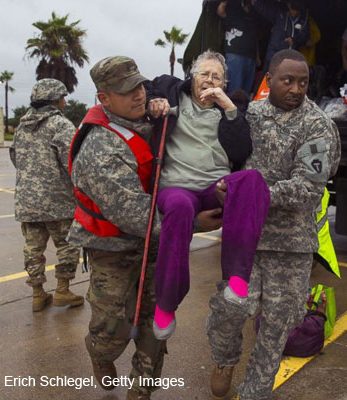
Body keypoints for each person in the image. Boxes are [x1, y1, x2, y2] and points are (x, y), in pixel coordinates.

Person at [67, 56, 223, 400]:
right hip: (115, 249)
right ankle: (100, 353)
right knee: (112, 330)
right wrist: (193, 224)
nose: (139, 95)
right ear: (104, 99)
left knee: (155, 327)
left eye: (139, 85)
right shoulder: (100, 147)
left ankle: (141, 391)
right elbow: (136, 215)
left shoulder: (152, 117)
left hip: (157, 245)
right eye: (127, 91)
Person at [205, 49, 340, 400]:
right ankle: (224, 358)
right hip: (247, 239)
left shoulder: (317, 124)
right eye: (288, 81)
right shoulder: (248, 115)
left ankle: (256, 391)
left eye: (303, 82)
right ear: (270, 78)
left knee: (278, 326)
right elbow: (227, 159)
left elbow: (309, 189)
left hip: (291, 245)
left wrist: (252, 194)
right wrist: (225, 188)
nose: (296, 89)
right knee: (229, 310)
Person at [143, 50, 267, 340]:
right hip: (176, 187)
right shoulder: (170, 89)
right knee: (177, 207)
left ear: (224, 83)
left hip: (216, 186)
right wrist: (153, 101)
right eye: (204, 74)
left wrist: (230, 111)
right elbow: (144, 87)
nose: (209, 80)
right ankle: (166, 303)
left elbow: (240, 152)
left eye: (216, 77)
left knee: (252, 179)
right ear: (192, 76)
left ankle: (237, 279)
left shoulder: (233, 107)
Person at [9, 78, 84, 312]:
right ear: (54, 100)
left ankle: (38, 294)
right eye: (62, 97)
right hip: (58, 200)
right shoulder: (60, 125)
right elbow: (71, 160)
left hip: (27, 201)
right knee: (67, 245)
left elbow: (14, 157)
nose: (64, 102)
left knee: (33, 248)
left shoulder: (22, 126)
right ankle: (62, 289)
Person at [251, 0, 309, 69]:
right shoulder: (280, 13)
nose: (294, 12)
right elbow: (266, 11)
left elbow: (305, 36)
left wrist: (294, 40)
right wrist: (256, 3)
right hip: (272, 54)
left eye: (297, 11)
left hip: (289, 58)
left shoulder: (303, 19)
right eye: (293, 9)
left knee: (284, 78)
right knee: (266, 77)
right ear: (289, 5)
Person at [217, 0, 259, 95]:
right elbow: (220, 11)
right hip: (235, 53)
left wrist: (257, 56)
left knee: (245, 90)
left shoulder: (253, 14)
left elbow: (255, 37)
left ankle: (241, 108)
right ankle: (230, 108)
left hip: (250, 55)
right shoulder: (233, 8)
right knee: (234, 88)